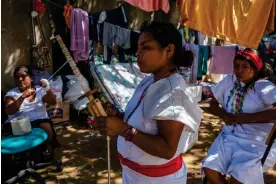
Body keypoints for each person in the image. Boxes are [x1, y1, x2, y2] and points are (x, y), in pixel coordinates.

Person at [95, 21, 202, 184]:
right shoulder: (150, 81)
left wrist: (123, 129)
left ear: (169, 51)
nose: (137, 53)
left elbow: (167, 149)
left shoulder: (173, 94)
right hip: (135, 176)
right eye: (138, 47)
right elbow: (145, 122)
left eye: (146, 47)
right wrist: (118, 116)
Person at [202, 48, 276, 184]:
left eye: (245, 67)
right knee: (210, 169)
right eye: (236, 66)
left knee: (239, 179)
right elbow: (212, 104)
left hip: (255, 142)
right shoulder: (229, 81)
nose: (239, 70)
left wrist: (248, 118)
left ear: (255, 68)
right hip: (229, 137)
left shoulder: (264, 87)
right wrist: (224, 115)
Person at [4, 65, 58, 146]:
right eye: (17, 77)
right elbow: (9, 110)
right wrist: (22, 97)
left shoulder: (40, 90)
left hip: (39, 122)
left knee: (46, 126)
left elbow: (53, 102)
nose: (20, 79)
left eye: (23, 76)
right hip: (19, 125)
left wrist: (47, 88)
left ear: (31, 78)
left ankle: (46, 150)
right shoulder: (11, 94)